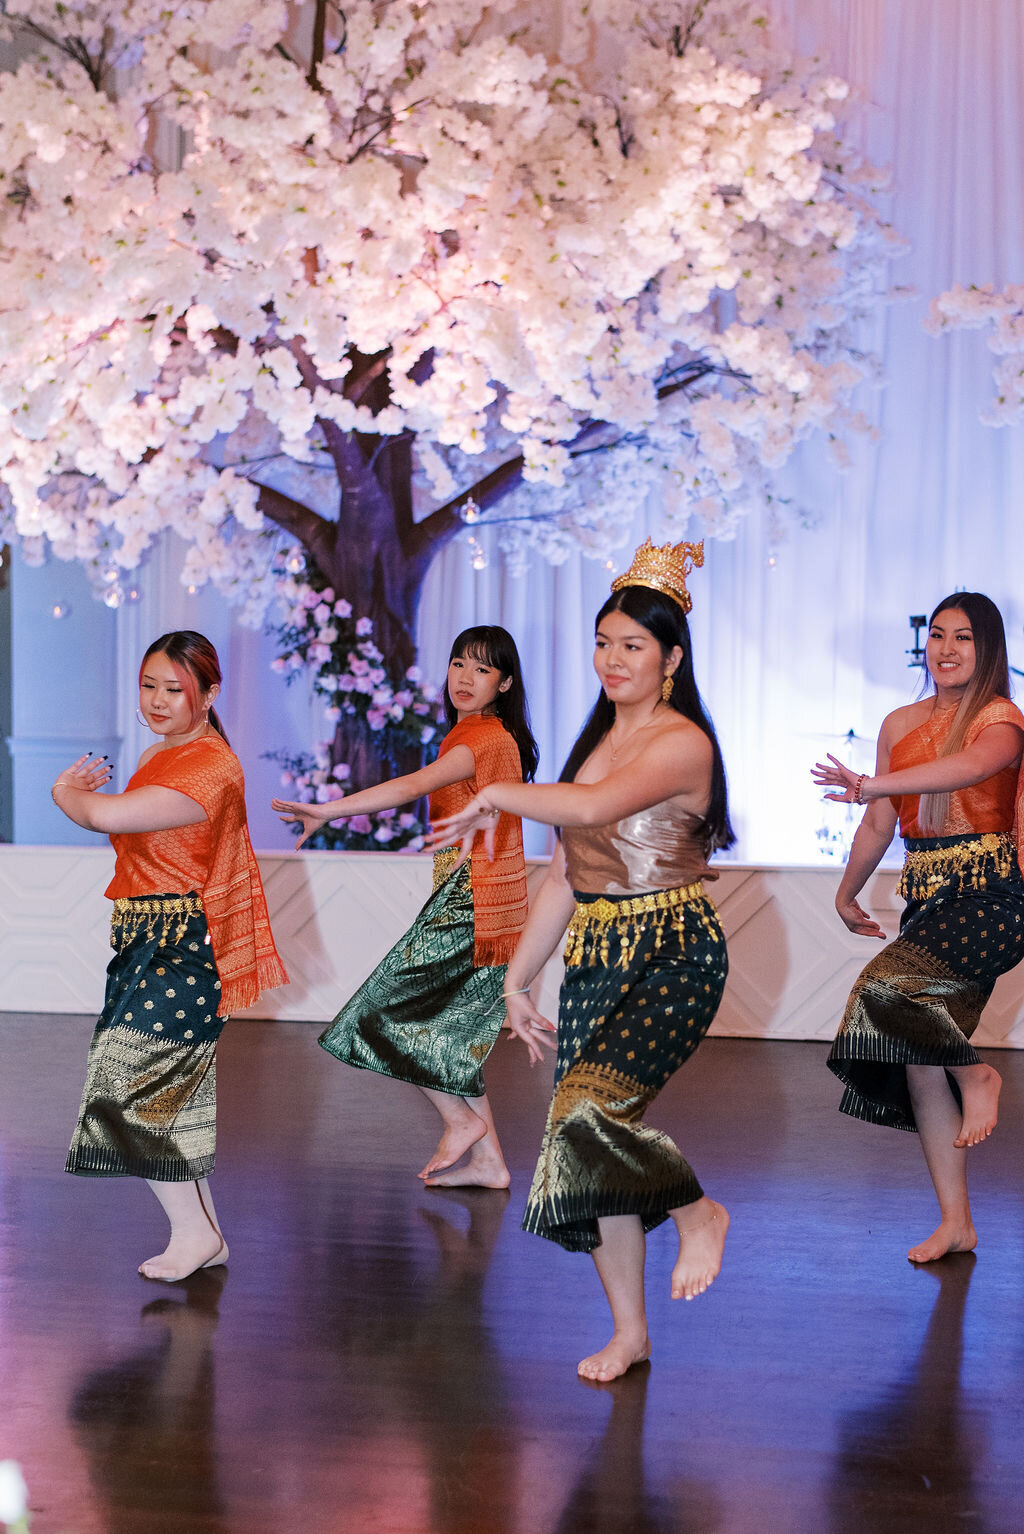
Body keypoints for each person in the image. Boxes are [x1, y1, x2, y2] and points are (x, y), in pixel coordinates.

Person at [432, 540, 734, 1382]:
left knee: (585, 1118)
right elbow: (566, 870)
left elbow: (595, 807)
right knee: (591, 1143)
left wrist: (493, 793)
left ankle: (699, 1209)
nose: (612, 659)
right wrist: (515, 979)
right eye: (604, 642)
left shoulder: (683, 744)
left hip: (671, 952)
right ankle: (630, 1332)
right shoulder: (598, 739)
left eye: (633, 645)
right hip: (600, 954)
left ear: (672, 658)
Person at [56, 631, 288, 1281]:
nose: (158, 701)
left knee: (129, 1088)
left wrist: (63, 793)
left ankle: (192, 1232)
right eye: (149, 686)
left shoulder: (210, 766)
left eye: (174, 690)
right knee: (168, 1097)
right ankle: (205, 1236)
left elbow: (107, 817)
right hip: (149, 939)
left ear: (209, 695)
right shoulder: (166, 754)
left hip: (183, 946)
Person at [273, 625, 538, 1188]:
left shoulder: (481, 739)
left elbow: (411, 785)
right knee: (446, 1035)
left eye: (483, 669)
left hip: (471, 899)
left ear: (505, 683)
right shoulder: (480, 733)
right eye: (458, 663)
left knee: (378, 1014)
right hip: (483, 898)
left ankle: (460, 1120)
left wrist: (329, 811)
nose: (465, 678)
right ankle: (489, 1162)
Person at [812, 592, 1024, 1264]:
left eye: (964, 637)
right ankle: (956, 1222)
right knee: (920, 1061)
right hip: (926, 895)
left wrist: (876, 784)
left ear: (987, 648)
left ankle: (979, 1076)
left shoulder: (1002, 719)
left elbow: (969, 769)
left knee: (885, 991)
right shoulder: (900, 721)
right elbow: (880, 822)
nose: (948, 649)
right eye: (937, 635)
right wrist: (847, 892)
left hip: (993, 894)